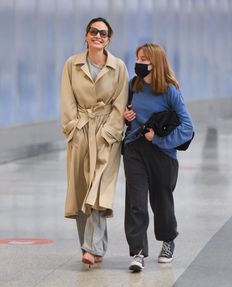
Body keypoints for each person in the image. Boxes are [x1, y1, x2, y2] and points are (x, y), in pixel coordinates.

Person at [60, 17, 128, 267]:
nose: (98, 36)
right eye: (93, 31)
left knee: (99, 189)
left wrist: (109, 133)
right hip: (81, 130)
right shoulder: (72, 64)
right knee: (81, 190)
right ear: (86, 35)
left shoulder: (119, 66)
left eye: (103, 33)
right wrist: (71, 129)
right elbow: (67, 98)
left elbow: (120, 103)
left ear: (109, 39)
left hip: (106, 134)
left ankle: (92, 247)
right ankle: (91, 248)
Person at [122, 43, 194, 272]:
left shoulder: (170, 90)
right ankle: (138, 252)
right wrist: (126, 117)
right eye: (138, 58)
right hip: (134, 148)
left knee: (162, 202)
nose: (139, 63)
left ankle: (167, 240)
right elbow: (128, 115)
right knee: (136, 201)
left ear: (157, 63)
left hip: (162, 153)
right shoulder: (134, 85)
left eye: (144, 60)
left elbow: (187, 128)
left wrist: (159, 140)